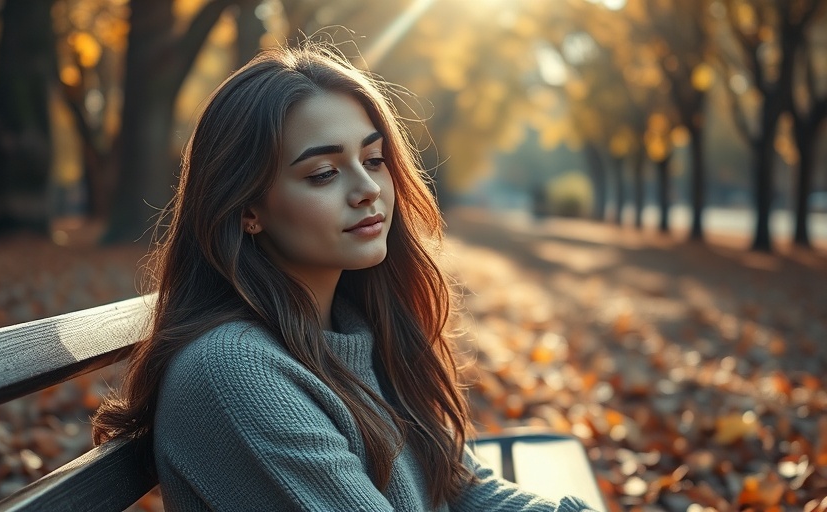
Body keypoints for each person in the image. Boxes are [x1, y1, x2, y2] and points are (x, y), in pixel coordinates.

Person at [91, 40, 595, 512]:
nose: (367, 189)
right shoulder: (234, 373)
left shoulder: (358, 329)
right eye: (323, 174)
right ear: (246, 208)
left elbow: (461, 485)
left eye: (373, 160)